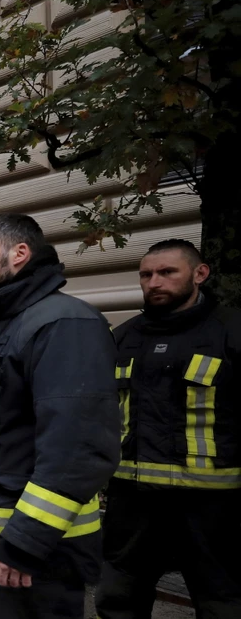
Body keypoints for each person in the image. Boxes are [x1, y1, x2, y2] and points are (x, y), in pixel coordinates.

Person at [0, 214, 119, 617]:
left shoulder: (64, 323)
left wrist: (26, 542)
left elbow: (78, 451)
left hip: (30, 547)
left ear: (19, 253)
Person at [95, 239, 240, 618]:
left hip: (211, 509)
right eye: (146, 275)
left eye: (167, 272)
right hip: (133, 504)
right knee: (117, 597)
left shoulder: (231, 332)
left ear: (200, 273)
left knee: (223, 603)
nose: (154, 282)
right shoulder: (122, 338)